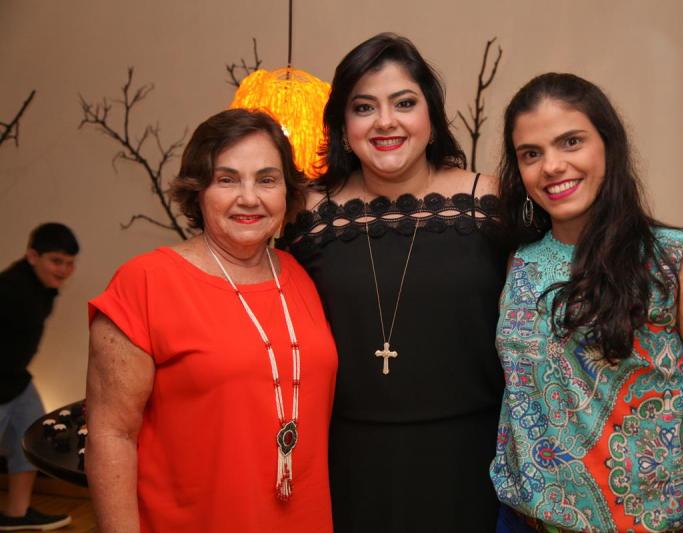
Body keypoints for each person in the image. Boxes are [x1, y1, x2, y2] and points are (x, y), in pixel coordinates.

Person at [491, 73, 683, 533]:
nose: (552, 166)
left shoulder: (682, 260)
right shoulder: (517, 262)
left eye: (571, 142)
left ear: (608, 145)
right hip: (522, 523)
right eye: (531, 154)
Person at [279, 33, 508, 532]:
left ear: (432, 117)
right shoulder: (303, 214)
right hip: (345, 459)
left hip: (469, 458)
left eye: (404, 103)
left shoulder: (492, 201)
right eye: (364, 107)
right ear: (343, 127)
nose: (386, 121)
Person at [85, 109, 337, 533]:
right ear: (197, 190)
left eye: (267, 179)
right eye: (227, 179)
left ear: (287, 192)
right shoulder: (144, 282)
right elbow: (112, 435)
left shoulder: (300, 276)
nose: (249, 198)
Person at [0, 223, 78, 531]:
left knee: (32, 440)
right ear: (33, 256)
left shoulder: (44, 288)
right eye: (56, 261)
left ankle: (15, 514)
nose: (64, 270)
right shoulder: (9, 289)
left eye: (69, 263)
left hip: (16, 381)